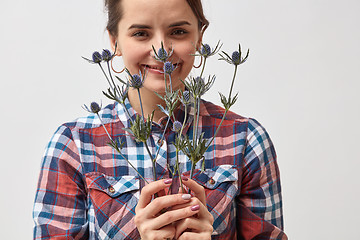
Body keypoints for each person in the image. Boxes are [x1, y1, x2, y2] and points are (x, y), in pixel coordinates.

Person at [33, 0, 287, 239]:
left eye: (178, 32)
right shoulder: (74, 144)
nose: (162, 51)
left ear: (200, 38)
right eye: (141, 33)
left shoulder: (246, 139)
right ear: (115, 42)